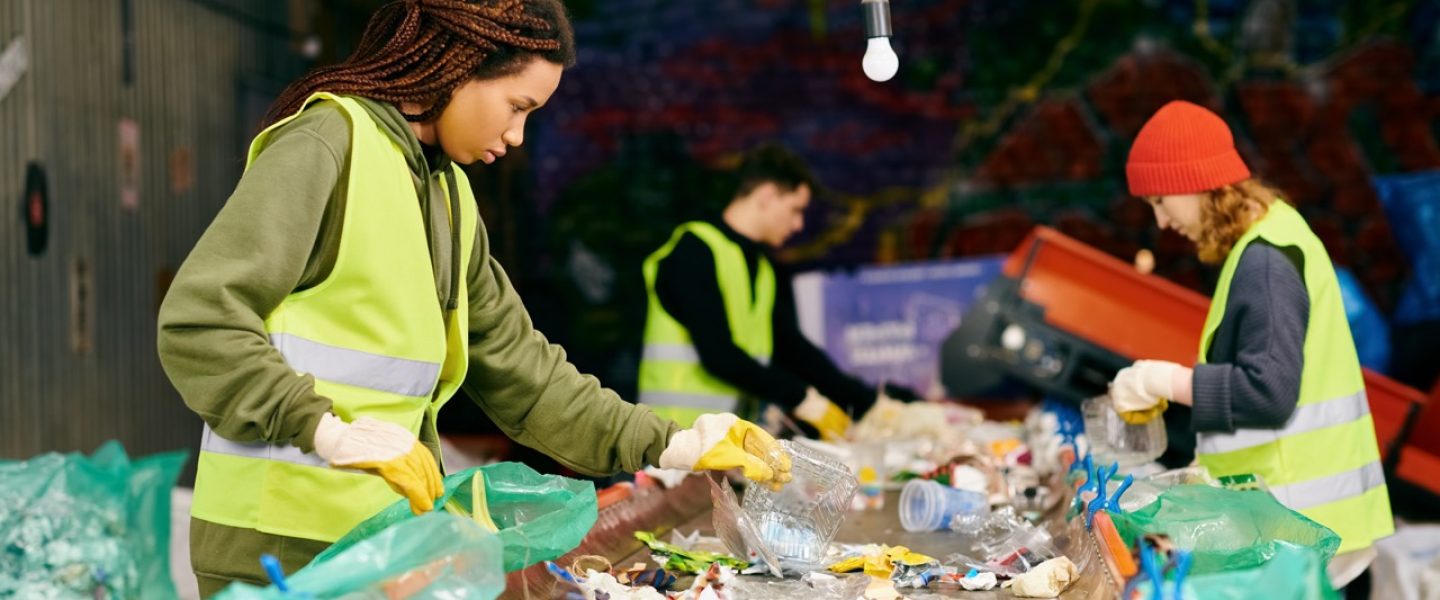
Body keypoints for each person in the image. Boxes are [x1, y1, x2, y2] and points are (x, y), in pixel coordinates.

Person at [156, 1, 788, 596]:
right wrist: (322, 428)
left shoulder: (449, 195)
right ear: (459, 66)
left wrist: (674, 441)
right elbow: (200, 322)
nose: (517, 135)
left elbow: (529, 379)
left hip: (382, 546)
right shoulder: (329, 146)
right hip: (281, 550)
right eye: (517, 107)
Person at [1109, 100, 1394, 587]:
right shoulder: (1271, 237)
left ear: (1194, 182)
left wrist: (1162, 379)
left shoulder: (1265, 261)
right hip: (1298, 521)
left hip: (1302, 524)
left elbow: (1267, 393)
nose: (1160, 222)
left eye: (1160, 201)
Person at [636, 143, 915, 440]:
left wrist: (868, 403)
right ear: (767, 195)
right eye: (795, 209)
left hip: (724, 445)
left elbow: (792, 349)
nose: (798, 225)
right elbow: (718, 354)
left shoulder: (762, 269)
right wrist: (803, 398)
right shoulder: (693, 251)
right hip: (672, 442)